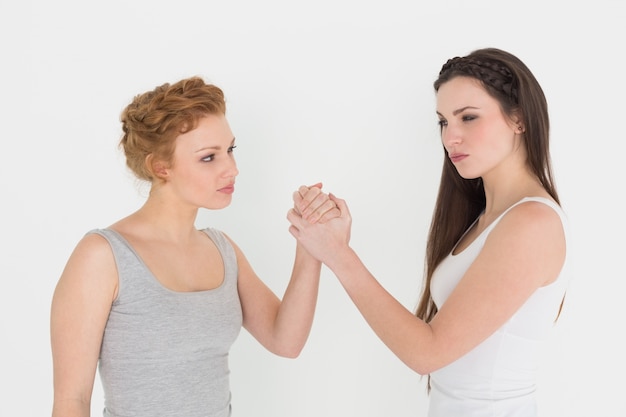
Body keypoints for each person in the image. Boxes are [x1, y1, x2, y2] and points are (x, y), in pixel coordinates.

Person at [288, 47, 569, 416]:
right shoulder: (487, 219)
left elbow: (428, 353)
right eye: (443, 122)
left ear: (519, 119)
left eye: (468, 117)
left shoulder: (533, 223)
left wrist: (339, 254)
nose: (450, 137)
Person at [50, 76, 337, 417]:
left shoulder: (221, 249)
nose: (231, 169)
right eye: (208, 158)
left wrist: (310, 241)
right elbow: (72, 401)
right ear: (161, 167)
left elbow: (285, 341)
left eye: (230, 150)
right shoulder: (103, 256)